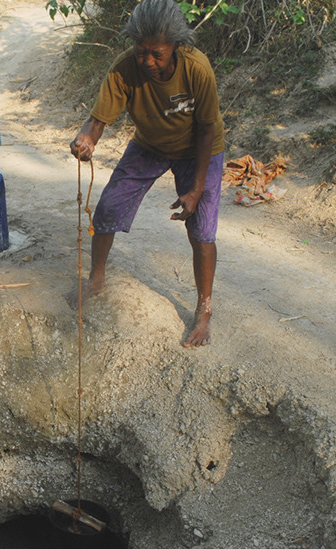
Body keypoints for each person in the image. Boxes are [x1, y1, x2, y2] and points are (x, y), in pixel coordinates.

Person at [69, 0, 225, 348]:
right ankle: (95, 280)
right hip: (150, 144)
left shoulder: (196, 68)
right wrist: (85, 140)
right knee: (108, 206)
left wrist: (196, 188)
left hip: (199, 149)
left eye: (157, 53)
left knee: (201, 229)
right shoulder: (124, 69)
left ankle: (204, 310)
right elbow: (97, 122)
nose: (148, 62)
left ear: (175, 46)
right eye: (142, 52)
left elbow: (206, 129)